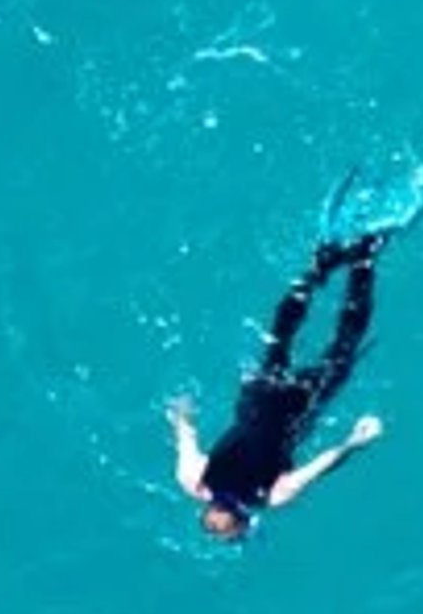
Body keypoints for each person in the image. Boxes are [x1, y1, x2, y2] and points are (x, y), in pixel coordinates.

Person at [169, 225, 396, 540]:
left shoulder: (272, 496)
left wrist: (357, 440)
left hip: (297, 407)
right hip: (257, 393)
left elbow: (324, 462)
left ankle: (364, 258)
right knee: (279, 339)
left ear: (244, 519)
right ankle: (318, 266)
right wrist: (181, 410)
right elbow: (184, 429)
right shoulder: (193, 479)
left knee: (345, 347)